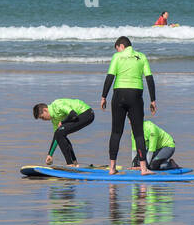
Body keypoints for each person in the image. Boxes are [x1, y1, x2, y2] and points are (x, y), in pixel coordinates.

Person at [100, 36, 156, 175]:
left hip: (118, 94)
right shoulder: (141, 56)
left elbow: (110, 76)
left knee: (116, 132)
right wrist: (153, 100)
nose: (118, 51)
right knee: (138, 134)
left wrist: (103, 96)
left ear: (122, 46)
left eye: (117, 48)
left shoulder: (117, 57)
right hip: (135, 96)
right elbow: (149, 78)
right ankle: (143, 169)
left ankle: (112, 168)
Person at [32, 99, 93, 167]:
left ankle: (70, 164)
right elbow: (57, 136)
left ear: (45, 110)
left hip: (87, 113)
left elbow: (73, 115)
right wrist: (50, 155)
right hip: (80, 116)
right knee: (60, 133)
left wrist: (63, 122)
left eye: (42, 117)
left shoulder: (57, 105)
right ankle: (74, 163)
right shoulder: (54, 119)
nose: (43, 120)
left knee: (60, 132)